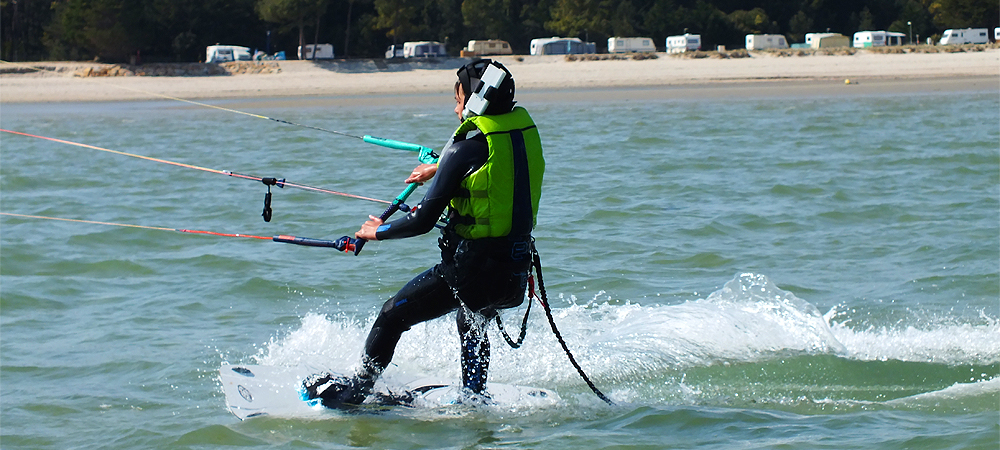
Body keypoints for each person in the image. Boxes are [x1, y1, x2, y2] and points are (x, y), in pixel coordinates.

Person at [302, 59, 545, 408]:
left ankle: (354, 393)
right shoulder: (521, 136)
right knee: (472, 318)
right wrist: (441, 168)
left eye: (459, 98)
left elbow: (421, 222)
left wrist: (376, 232)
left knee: (391, 316)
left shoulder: (463, 151)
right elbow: (498, 171)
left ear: (476, 100)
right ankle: (474, 396)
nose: (456, 107)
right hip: (514, 275)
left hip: (472, 273)